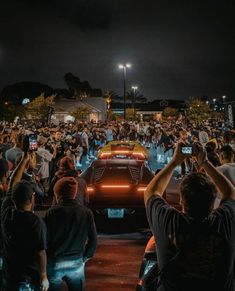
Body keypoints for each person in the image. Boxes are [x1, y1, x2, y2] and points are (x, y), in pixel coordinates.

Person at [144, 142, 235, 291]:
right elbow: (230, 193)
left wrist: (175, 161)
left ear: (181, 201)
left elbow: (151, 192)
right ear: (213, 202)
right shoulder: (224, 221)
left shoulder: (169, 221)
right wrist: (204, 163)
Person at [1, 151, 49, 291]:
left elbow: (11, 185)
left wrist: (23, 161)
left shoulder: (7, 212)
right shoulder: (35, 222)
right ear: (32, 198)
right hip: (27, 277)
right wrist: (44, 276)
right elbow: (41, 252)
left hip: (9, 273)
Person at [45, 177, 97, 290]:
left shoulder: (51, 213)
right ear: (74, 194)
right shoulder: (86, 213)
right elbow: (93, 240)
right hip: (76, 261)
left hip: (55, 261)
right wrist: (85, 257)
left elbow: (45, 240)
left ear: (58, 194)